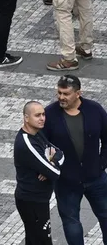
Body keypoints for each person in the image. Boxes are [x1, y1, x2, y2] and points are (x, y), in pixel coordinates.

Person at [42, 76, 107, 244]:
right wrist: (50, 168)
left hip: (96, 177)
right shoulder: (49, 114)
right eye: (59, 93)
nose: (61, 97)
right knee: (71, 222)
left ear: (78, 93)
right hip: (66, 182)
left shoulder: (95, 110)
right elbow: (41, 145)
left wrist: (101, 164)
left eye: (66, 93)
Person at [14, 101, 63, 245]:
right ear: (26, 118)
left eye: (43, 114)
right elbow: (55, 173)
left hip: (38, 199)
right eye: (37, 115)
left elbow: (60, 153)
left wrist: (50, 164)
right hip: (32, 201)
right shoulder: (26, 144)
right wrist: (50, 166)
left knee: (34, 240)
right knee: (42, 241)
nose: (42, 118)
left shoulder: (37, 134)